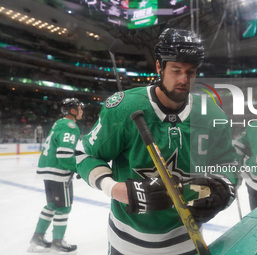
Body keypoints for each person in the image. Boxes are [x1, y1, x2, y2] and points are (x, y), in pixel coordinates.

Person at [75, 28, 239, 255]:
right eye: (176, 70)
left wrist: (225, 187)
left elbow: (228, 164)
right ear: (159, 67)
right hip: (126, 244)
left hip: (187, 242)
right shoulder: (124, 109)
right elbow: (84, 154)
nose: (184, 79)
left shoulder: (212, 114)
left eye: (191, 72)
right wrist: (113, 188)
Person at [28, 98, 84, 254]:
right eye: (80, 108)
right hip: (58, 172)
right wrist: (78, 168)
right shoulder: (70, 126)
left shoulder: (59, 123)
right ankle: (57, 242)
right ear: (72, 111)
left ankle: (37, 237)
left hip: (48, 169)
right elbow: (65, 155)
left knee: (52, 205)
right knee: (64, 208)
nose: (82, 111)